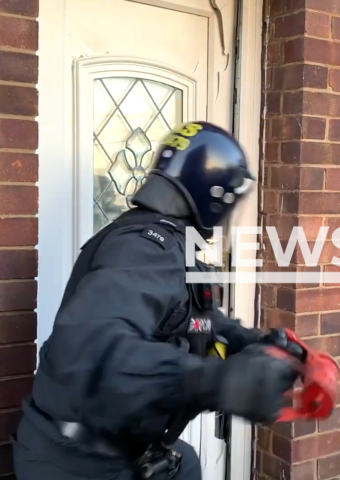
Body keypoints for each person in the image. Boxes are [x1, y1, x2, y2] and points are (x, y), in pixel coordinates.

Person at [12, 122, 299, 480]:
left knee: (187, 462)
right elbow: (92, 350)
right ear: (215, 195)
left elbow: (193, 319)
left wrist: (252, 343)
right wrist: (218, 380)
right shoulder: (144, 247)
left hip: (130, 450)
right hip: (80, 463)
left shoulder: (172, 243)